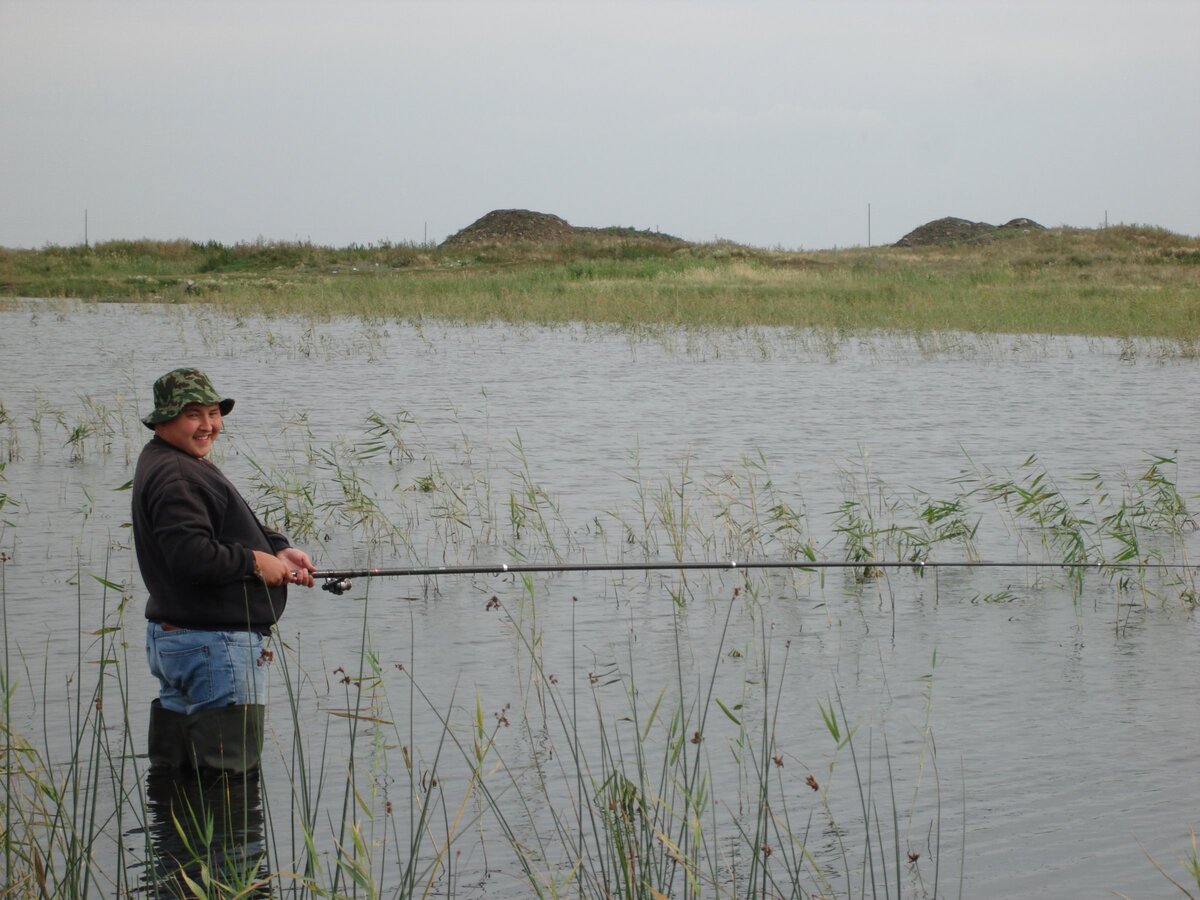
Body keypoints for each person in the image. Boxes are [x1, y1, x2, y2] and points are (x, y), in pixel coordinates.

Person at [132, 367, 316, 772]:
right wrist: (253, 562)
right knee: (227, 780)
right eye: (193, 414)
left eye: (213, 413)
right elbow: (191, 555)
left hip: (183, 639)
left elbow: (224, 522)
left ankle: (172, 837)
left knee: (179, 774)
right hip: (213, 648)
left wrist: (279, 551)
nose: (208, 425)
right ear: (164, 419)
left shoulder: (171, 459)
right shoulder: (177, 474)